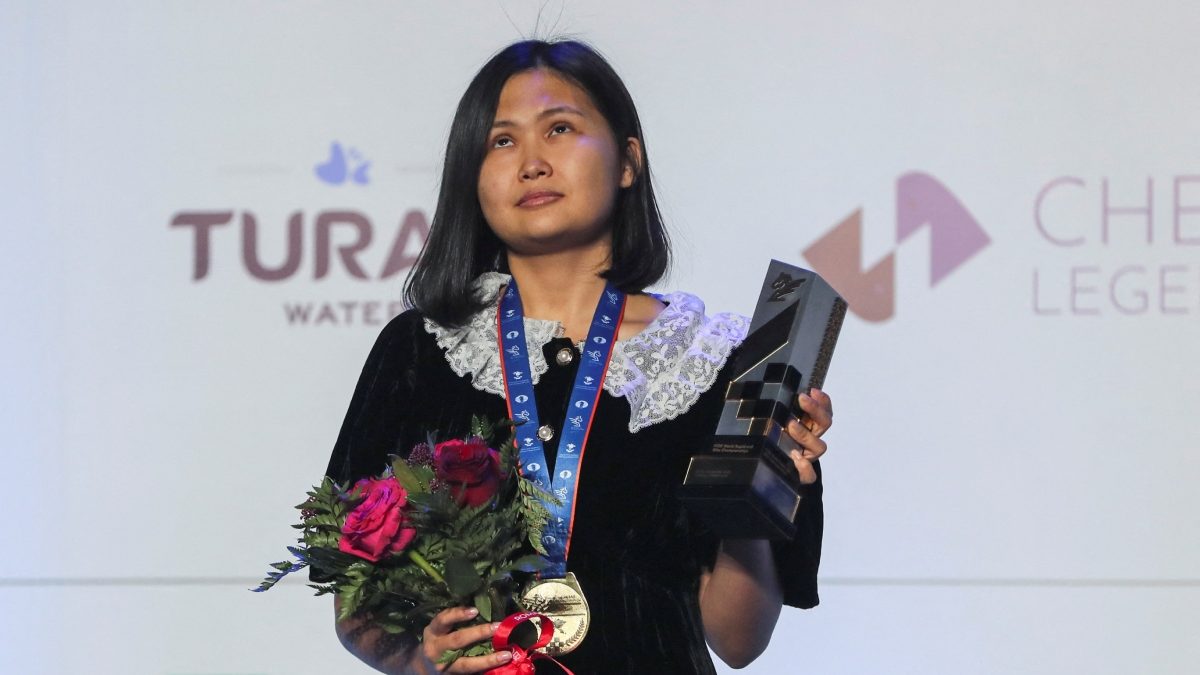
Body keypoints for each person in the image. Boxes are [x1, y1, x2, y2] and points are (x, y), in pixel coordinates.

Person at [323, 39, 833, 674]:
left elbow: (737, 640)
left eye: (559, 129)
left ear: (626, 160)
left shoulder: (722, 363)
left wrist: (760, 495)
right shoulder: (419, 349)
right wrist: (422, 662)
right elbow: (355, 604)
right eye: (500, 142)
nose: (531, 162)